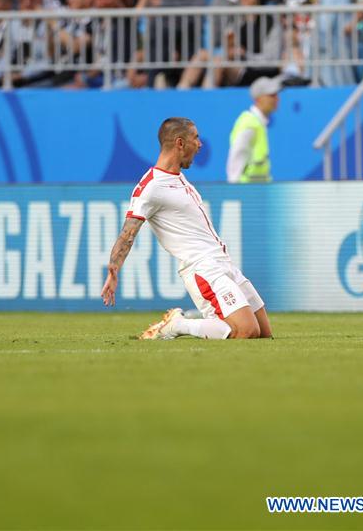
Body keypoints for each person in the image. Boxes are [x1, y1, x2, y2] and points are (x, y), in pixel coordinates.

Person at [101, 117, 272, 340]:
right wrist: (113, 270)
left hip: (223, 263)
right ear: (180, 143)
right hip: (202, 267)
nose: (200, 144)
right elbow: (128, 233)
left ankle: (186, 324)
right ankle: (177, 325)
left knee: (263, 334)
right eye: (196, 138)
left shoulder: (179, 178)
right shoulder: (151, 186)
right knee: (247, 331)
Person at [226, 76, 280, 184]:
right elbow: (236, 158)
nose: (277, 99)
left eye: (276, 95)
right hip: (246, 193)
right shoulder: (250, 123)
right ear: (259, 98)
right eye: (271, 95)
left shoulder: (257, 122)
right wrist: (233, 191)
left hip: (257, 191)